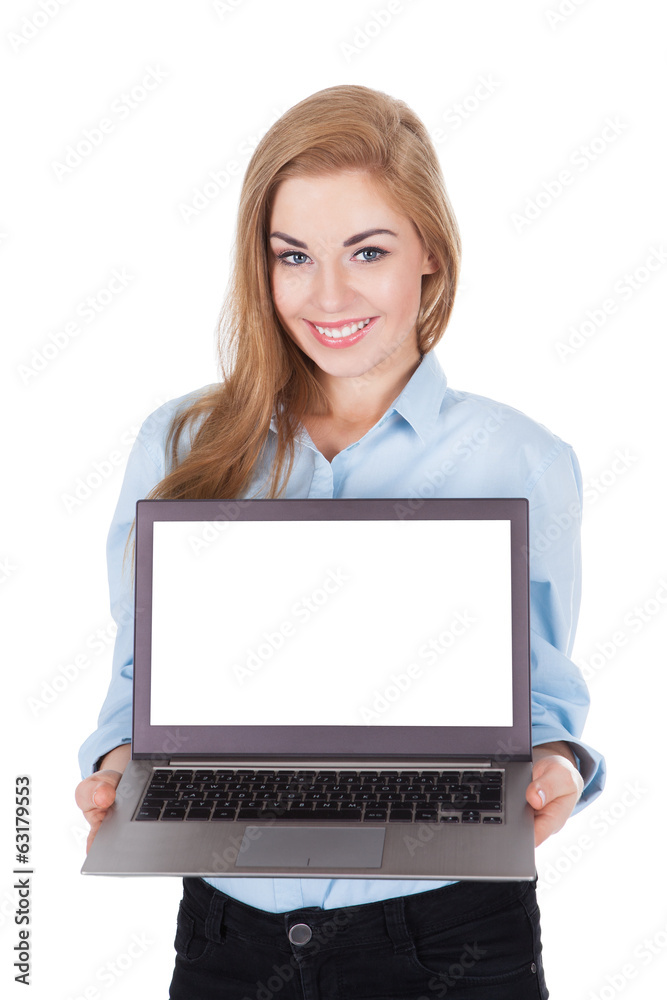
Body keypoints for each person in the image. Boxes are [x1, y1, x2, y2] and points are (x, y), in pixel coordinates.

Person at [76, 84, 605, 998]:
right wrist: (118, 762)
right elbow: (139, 679)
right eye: (294, 256)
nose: (327, 295)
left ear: (429, 252)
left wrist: (555, 766)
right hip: (227, 939)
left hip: (450, 937)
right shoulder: (180, 445)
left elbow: (540, 699)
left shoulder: (522, 459)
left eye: (368, 250)